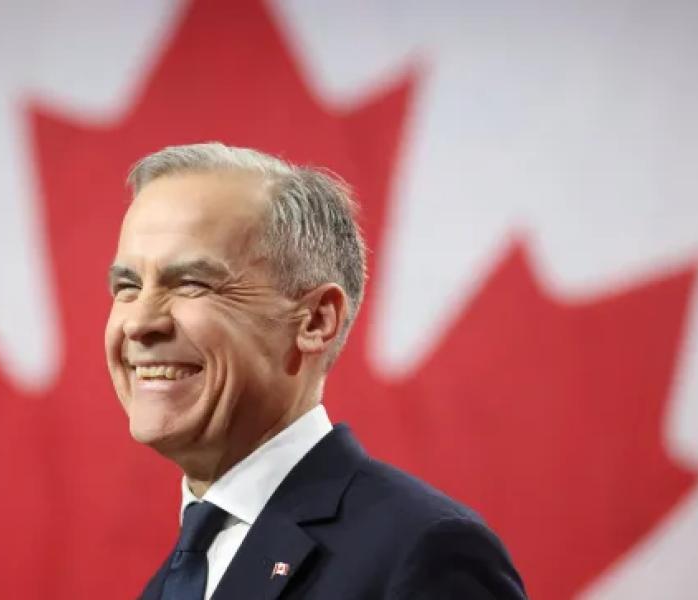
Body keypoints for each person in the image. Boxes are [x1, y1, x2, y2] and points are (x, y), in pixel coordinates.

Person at [105, 142, 526, 599]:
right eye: (127, 286)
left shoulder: (424, 551)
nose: (139, 321)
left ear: (315, 321)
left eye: (191, 283)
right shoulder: (168, 584)